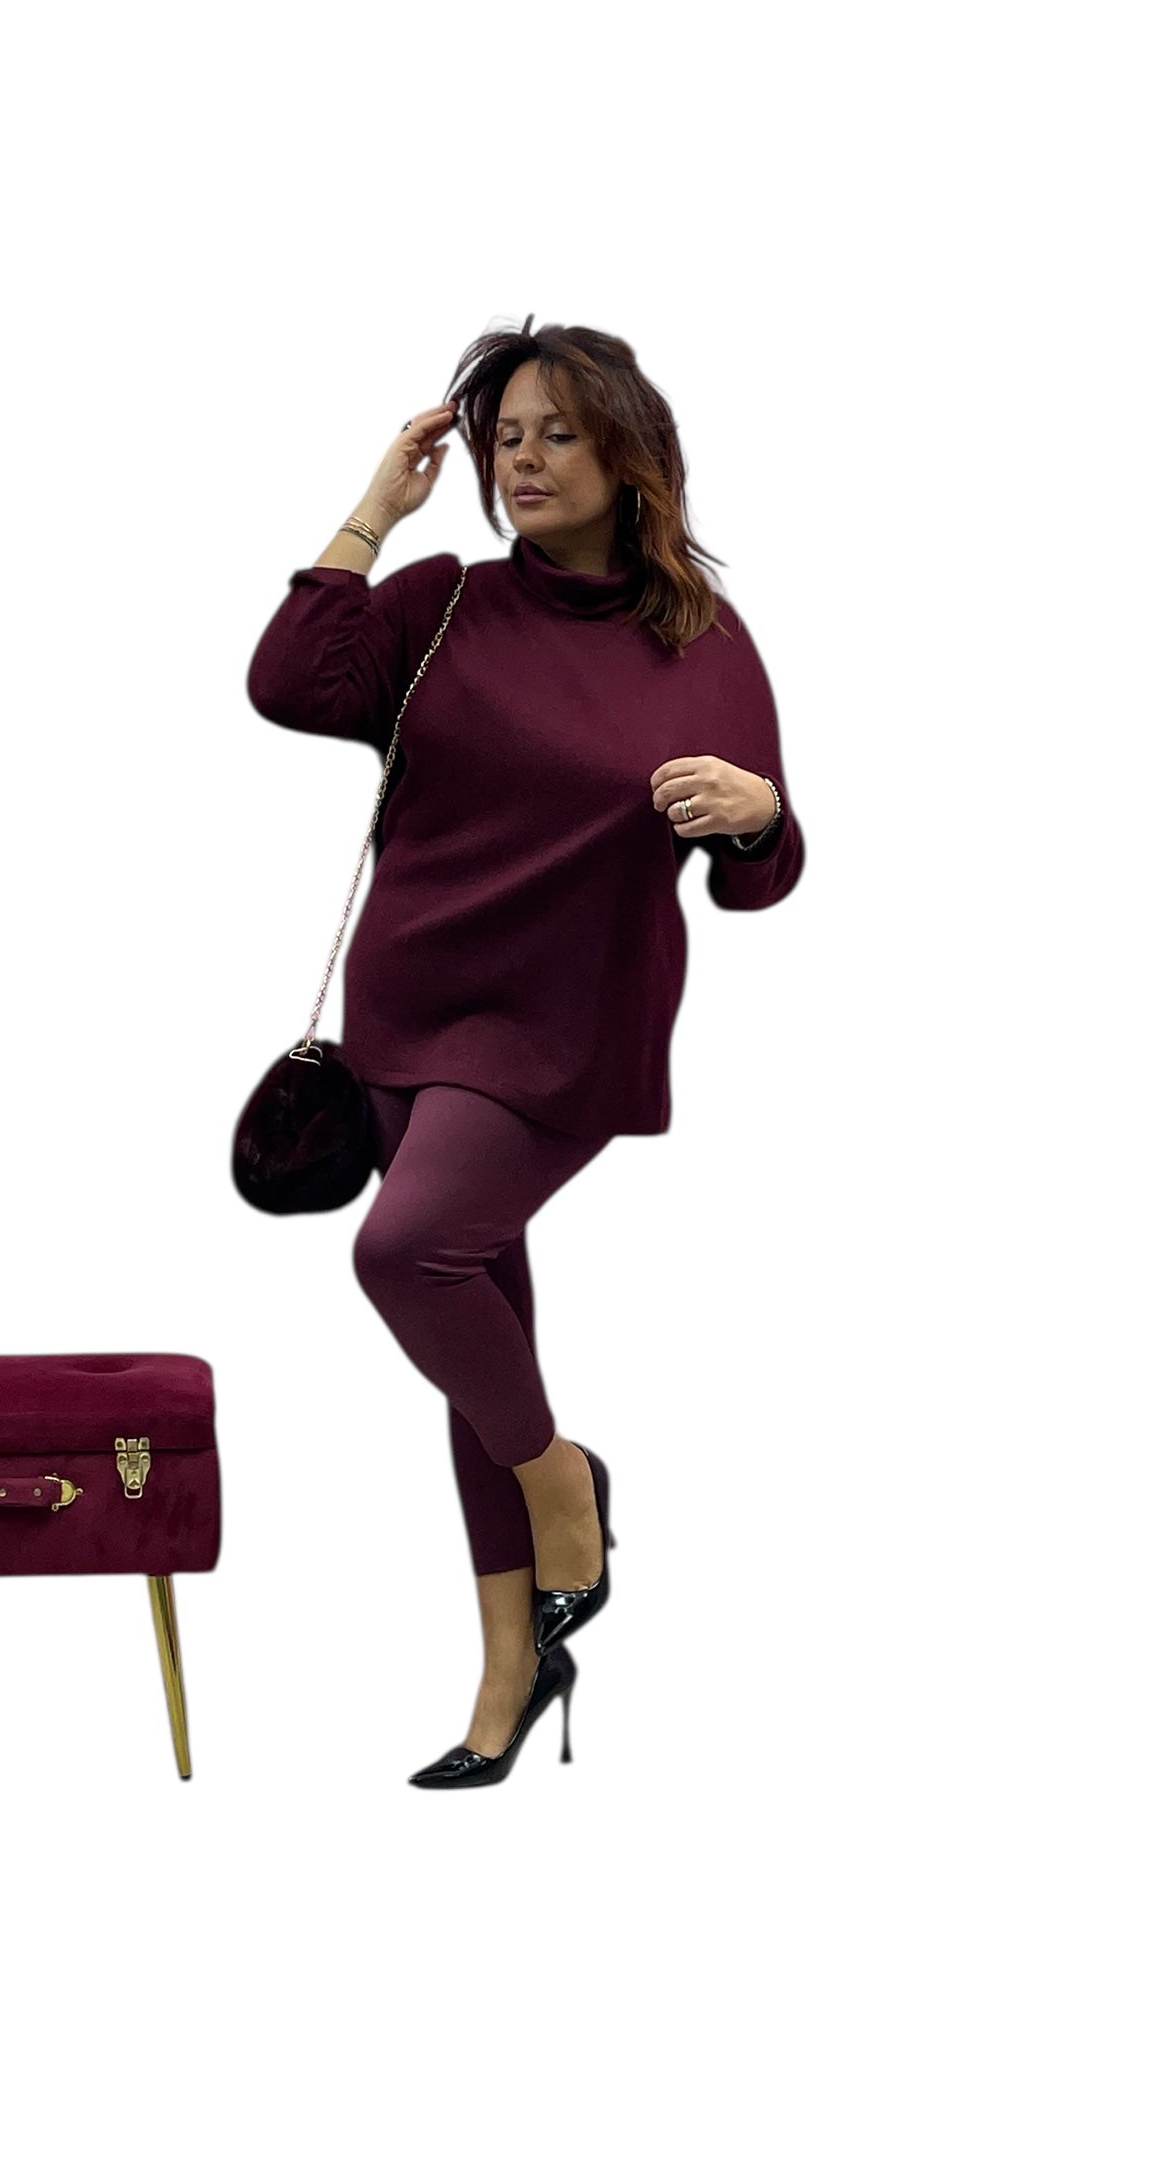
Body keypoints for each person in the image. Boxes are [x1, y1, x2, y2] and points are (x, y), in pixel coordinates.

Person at [245, 319, 806, 1788]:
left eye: (559, 432)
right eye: (506, 437)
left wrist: (757, 813)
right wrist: (375, 511)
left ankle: (563, 1484)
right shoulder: (445, 603)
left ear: (630, 454)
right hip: (406, 1014)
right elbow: (288, 683)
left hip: (565, 1034)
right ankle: (512, 1671)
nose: (525, 459)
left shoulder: (699, 638)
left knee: (409, 1255)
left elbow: (759, 872)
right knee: (477, 1340)